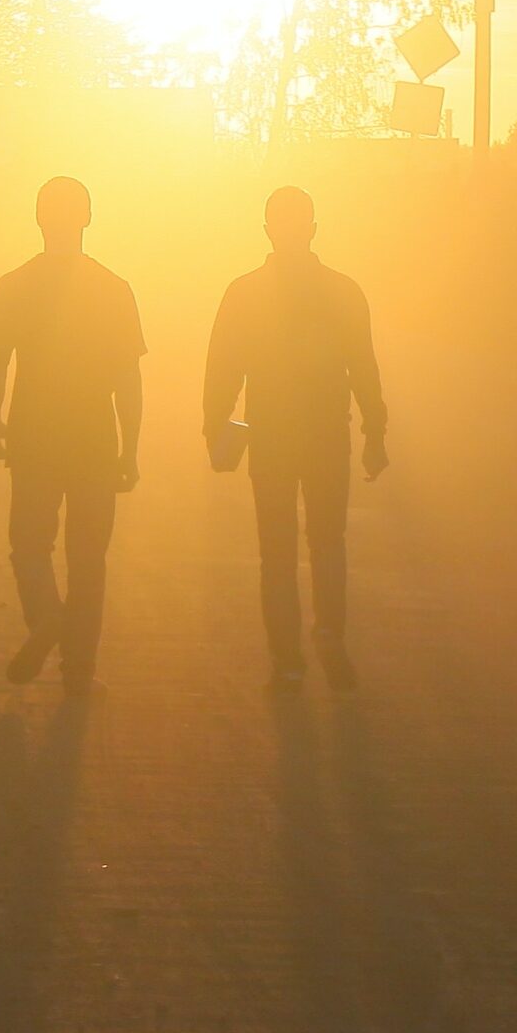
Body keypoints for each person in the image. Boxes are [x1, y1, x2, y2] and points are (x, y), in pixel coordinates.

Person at [203, 186, 389, 694]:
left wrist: (216, 428)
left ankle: (287, 659)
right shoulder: (344, 291)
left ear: (267, 229)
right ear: (312, 227)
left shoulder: (244, 292)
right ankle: (329, 632)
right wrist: (376, 432)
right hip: (329, 434)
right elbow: (364, 368)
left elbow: (223, 368)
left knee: (277, 551)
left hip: (270, 437)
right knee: (329, 542)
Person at [0, 176, 145, 695]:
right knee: (89, 559)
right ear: (88, 218)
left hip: (33, 435)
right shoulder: (113, 289)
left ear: (38, 219)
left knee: (28, 544)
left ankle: (47, 615)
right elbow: (127, 380)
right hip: (93, 437)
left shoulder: (13, 285)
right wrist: (130, 449)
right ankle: (78, 672)